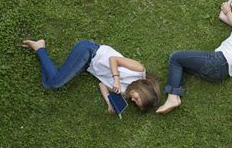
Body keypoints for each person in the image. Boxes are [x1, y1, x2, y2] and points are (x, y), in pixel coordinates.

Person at [22, 39, 161, 113]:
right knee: (55, 83)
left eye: (135, 103)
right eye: (138, 99)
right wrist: (117, 79)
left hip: (87, 66)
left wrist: (109, 103)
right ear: (144, 91)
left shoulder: (126, 90)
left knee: (48, 83)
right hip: (89, 51)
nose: (133, 100)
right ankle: (39, 47)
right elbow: (114, 59)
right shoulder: (139, 70)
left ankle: (40, 51)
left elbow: (102, 85)